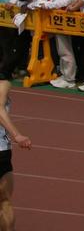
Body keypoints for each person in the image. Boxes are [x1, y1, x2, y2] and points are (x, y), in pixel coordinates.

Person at [0, 77, 32, 231]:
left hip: (1, 150)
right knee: (4, 201)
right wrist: (17, 135)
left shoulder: (2, 85)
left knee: (4, 200)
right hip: (2, 150)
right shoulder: (3, 85)